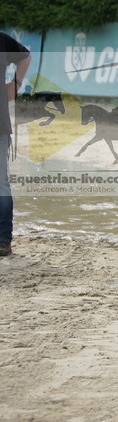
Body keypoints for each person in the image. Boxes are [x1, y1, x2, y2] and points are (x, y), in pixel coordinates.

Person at [1, 33, 31, 257]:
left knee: (0, 184)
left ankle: (2, 240)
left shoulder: (1, 39)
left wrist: (16, 83)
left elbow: (25, 56)